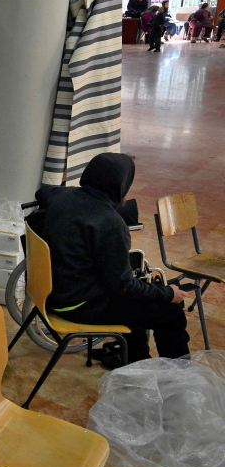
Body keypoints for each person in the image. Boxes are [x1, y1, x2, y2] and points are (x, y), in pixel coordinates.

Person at [33, 153, 189, 363]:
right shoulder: (111, 224)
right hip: (79, 305)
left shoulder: (62, 196)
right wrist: (168, 293)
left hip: (50, 293)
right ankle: (180, 380)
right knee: (171, 313)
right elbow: (123, 287)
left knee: (137, 309)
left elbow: (42, 192)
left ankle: (136, 363)